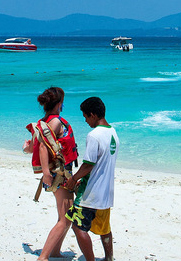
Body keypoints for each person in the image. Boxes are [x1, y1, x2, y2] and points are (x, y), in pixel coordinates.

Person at [64, 97, 119, 261]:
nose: (86, 121)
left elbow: (89, 164)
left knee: (77, 226)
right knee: (104, 228)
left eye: (86, 117)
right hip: (106, 193)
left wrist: (74, 178)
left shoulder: (94, 135)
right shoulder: (113, 133)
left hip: (91, 194)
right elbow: (101, 164)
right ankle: (109, 258)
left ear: (94, 115)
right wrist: (84, 177)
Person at [32, 87, 78, 261]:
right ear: (59, 104)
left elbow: (33, 146)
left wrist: (25, 148)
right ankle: (43, 257)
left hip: (58, 173)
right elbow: (43, 147)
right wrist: (45, 173)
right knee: (66, 218)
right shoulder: (55, 123)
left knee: (65, 215)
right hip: (59, 175)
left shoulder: (44, 121)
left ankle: (55, 252)